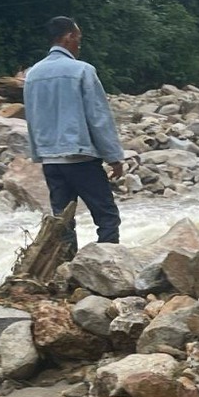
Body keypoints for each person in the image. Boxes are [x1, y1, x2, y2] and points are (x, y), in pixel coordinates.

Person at [25, 15, 126, 251]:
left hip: (50, 158)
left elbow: (32, 117)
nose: (79, 43)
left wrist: (38, 152)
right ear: (69, 37)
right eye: (78, 38)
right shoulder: (82, 71)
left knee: (62, 220)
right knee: (106, 215)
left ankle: (64, 267)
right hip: (80, 157)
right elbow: (98, 117)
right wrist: (114, 156)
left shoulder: (33, 74)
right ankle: (108, 263)